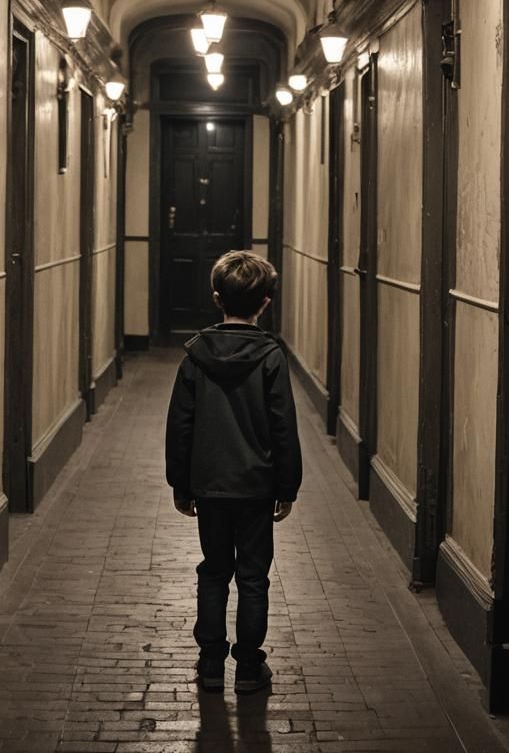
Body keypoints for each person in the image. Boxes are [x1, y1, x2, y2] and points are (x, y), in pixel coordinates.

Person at [165, 250, 303, 695]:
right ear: (265, 303)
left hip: (210, 485)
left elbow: (180, 425)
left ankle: (210, 662)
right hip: (257, 486)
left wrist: (181, 484)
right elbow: (283, 426)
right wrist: (287, 486)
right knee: (253, 576)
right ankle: (247, 666)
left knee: (214, 570)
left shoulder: (195, 357)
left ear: (216, 298)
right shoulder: (271, 357)